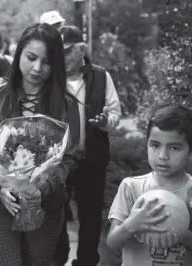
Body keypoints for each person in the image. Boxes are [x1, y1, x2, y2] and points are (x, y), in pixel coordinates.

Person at [0, 23, 80, 265]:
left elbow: (70, 158)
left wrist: (42, 190)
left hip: (44, 206)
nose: (37, 68)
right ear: (18, 54)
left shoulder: (66, 104)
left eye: (46, 62)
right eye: (31, 57)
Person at [53, 25, 122, 266]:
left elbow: (115, 112)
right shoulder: (52, 79)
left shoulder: (101, 76)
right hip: (59, 161)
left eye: (68, 51)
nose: (63, 58)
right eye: (58, 52)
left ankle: (86, 261)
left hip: (92, 157)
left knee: (91, 215)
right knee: (56, 213)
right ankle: (58, 257)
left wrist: (105, 122)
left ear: (82, 49)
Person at [107, 104, 192, 265]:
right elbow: (112, 242)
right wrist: (131, 225)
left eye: (174, 148)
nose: (163, 156)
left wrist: (179, 230)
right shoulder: (131, 187)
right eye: (155, 145)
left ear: (190, 151)